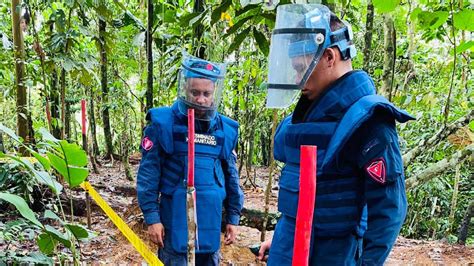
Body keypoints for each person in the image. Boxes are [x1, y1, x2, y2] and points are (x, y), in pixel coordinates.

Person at [258, 4, 414, 265]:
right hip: (290, 246)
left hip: (335, 252)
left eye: (301, 68)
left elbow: (389, 211)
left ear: (330, 57)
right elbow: (301, 196)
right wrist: (283, 238)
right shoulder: (303, 116)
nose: (298, 79)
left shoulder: (368, 123)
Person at [137, 54, 244, 265]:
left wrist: (233, 218)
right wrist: (152, 218)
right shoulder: (163, 124)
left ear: (214, 93)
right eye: (195, 93)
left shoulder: (224, 130)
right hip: (173, 218)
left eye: (206, 93)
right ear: (185, 88)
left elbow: (231, 176)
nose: (201, 99)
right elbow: (148, 175)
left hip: (211, 220)